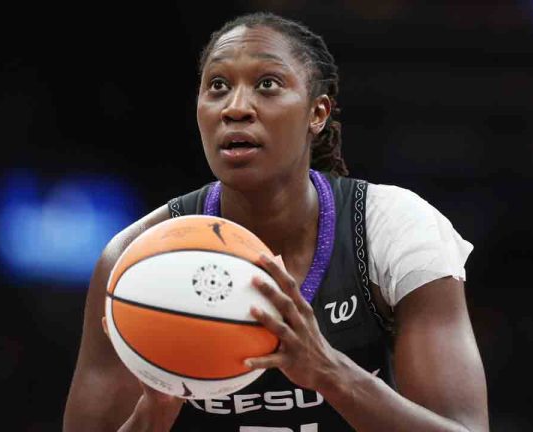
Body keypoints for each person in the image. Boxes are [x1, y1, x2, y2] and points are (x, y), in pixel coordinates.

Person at [64, 12, 488, 431]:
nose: (236, 108)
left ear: (317, 113)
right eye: (218, 86)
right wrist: (154, 412)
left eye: (267, 84)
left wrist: (330, 373)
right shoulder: (133, 261)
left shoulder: (394, 231)